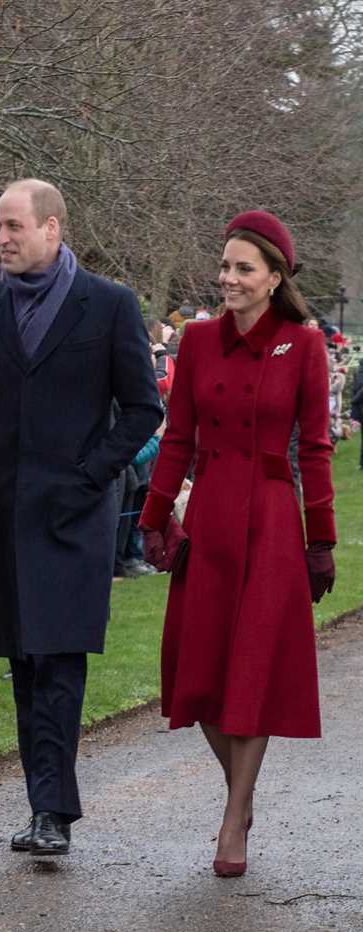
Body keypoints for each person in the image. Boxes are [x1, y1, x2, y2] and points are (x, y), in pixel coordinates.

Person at [0, 179, 162, 857]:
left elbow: (142, 409)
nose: (2, 238)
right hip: (10, 511)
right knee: (23, 663)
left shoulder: (108, 304)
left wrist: (88, 477)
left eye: (14, 226)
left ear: (52, 229)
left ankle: (52, 812)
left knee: (60, 658)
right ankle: (44, 802)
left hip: (76, 514)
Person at [138, 210, 335, 878]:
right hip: (213, 516)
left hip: (276, 521)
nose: (228, 278)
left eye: (243, 268)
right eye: (224, 266)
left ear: (275, 277)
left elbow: (314, 448)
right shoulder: (195, 341)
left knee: (252, 667)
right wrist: (155, 515)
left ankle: (233, 819)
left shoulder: (304, 346)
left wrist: (322, 541)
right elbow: (178, 439)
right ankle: (240, 794)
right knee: (198, 672)